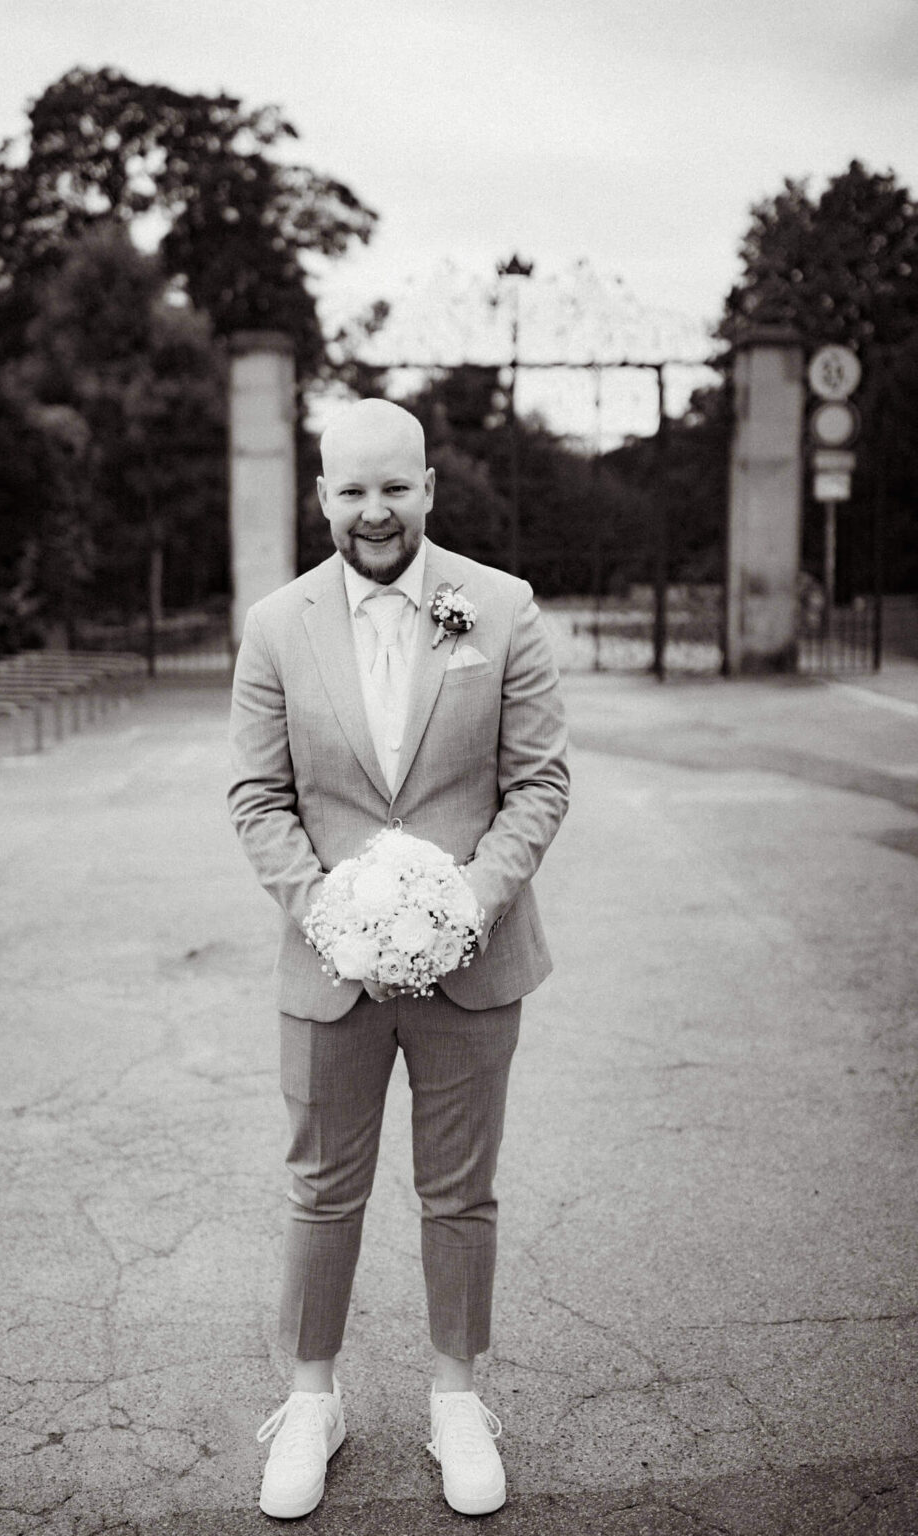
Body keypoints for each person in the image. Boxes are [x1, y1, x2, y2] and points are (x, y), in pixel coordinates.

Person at [228, 397, 569, 1518]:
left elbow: (538, 784)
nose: (374, 511)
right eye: (351, 489)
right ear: (322, 495)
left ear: (429, 487)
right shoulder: (276, 625)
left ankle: (456, 1398)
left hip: (473, 960)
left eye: (395, 487)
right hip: (329, 967)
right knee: (323, 1190)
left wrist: (462, 903)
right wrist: (332, 912)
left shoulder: (503, 610)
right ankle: (310, 1401)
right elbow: (258, 796)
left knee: (459, 1192)